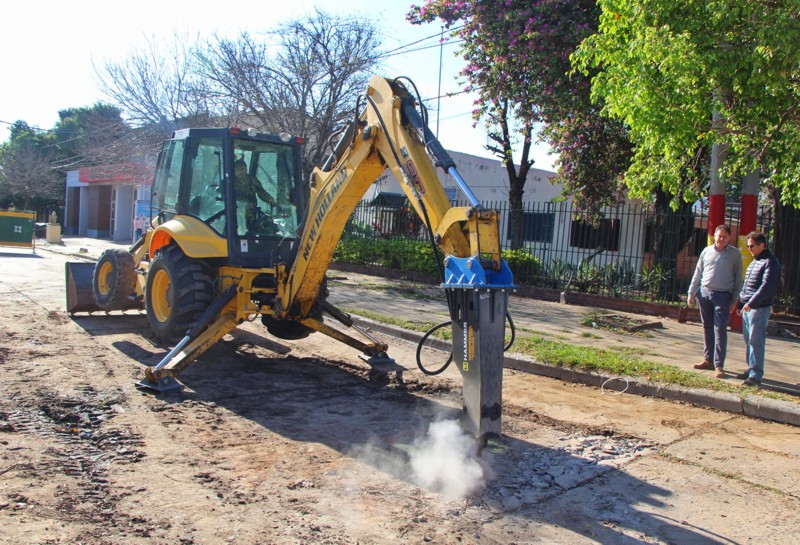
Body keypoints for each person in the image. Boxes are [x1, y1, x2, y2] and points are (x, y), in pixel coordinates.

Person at [687, 224, 743, 378]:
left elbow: (738, 279)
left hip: (723, 296)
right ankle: (708, 360)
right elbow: (698, 273)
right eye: (720, 236)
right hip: (705, 293)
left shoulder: (734, 254)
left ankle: (719, 365)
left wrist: (734, 300)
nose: (722, 239)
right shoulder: (706, 251)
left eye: (725, 236)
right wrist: (691, 293)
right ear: (715, 236)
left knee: (720, 330)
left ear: (729, 237)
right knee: (707, 328)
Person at [735, 231, 782, 387]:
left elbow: (767, 287)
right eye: (748, 246)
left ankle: (755, 375)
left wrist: (751, 303)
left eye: (752, 246)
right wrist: (741, 303)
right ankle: (751, 369)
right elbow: (747, 285)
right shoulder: (755, 261)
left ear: (762, 245)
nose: (749, 249)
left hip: (759, 308)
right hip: (748, 307)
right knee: (749, 341)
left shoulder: (770, 262)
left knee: (756, 341)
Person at [234, 159, 275, 233]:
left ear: (246, 169)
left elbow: (261, 192)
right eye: (237, 170)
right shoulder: (231, 182)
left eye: (242, 169)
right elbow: (230, 198)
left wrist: (270, 200)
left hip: (251, 211)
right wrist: (244, 204)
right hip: (236, 211)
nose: (240, 172)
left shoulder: (252, 180)